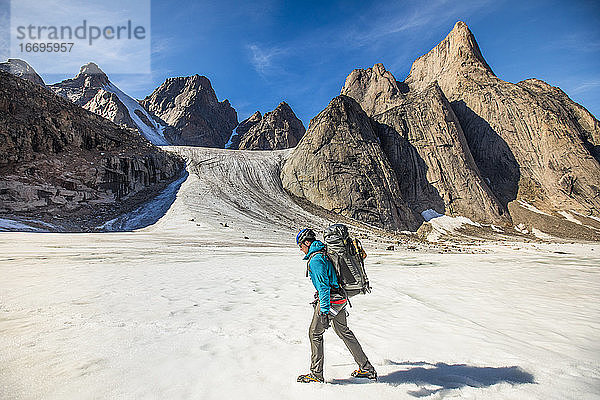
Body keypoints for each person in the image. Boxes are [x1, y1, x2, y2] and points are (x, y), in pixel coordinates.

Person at [295, 228, 377, 383]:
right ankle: (367, 369)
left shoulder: (316, 260)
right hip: (340, 298)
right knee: (343, 331)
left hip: (331, 300)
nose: (300, 249)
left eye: (301, 245)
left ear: (307, 242)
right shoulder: (323, 252)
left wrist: (324, 312)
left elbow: (324, 287)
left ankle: (316, 374)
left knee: (315, 333)